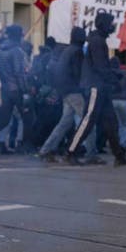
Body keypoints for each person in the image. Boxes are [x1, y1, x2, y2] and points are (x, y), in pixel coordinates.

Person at [66, 12, 126, 166]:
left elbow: (102, 67)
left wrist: (112, 77)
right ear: (104, 24)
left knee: (111, 123)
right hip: (95, 87)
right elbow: (100, 67)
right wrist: (115, 78)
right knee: (88, 120)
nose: (113, 26)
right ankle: (71, 151)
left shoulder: (98, 40)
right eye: (111, 23)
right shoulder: (97, 42)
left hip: (101, 88)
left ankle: (119, 156)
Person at [39, 26, 93, 162]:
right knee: (88, 121)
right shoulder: (77, 51)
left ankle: (47, 149)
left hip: (65, 91)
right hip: (74, 90)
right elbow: (78, 73)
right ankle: (89, 152)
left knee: (65, 123)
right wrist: (84, 88)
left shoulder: (67, 50)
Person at [0, 24, 31, 154]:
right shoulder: (17, 50)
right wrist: (25, 90)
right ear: (18, 36)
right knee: (28, 116)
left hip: (5, 88)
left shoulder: (1, 50)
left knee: (4, 118)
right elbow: (19, 73)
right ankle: (24, 146)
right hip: (16, 89)